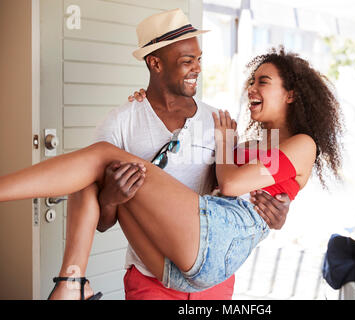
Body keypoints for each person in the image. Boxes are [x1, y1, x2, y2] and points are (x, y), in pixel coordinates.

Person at [0, 45, 344, 298]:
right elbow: (236, 186)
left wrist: (226, 143)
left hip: (212, 249)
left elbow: (232, 183)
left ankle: (69, 284)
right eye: (251, 81)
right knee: (97, 168)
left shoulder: (301, 143)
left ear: (291, 95)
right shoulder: (251, 141)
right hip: (171, 267)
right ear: (155, 64)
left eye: (262, 82)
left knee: (102, 156)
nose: (250, 89)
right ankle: (75, 283)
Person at [53, 9, 291, 300]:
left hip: (211, 282)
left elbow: (236, 199)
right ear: (155, 63)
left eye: (199, 59)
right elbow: (101, 223)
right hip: (151, 280)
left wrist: (277, 213)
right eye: (187, 61)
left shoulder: (219, 122)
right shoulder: (121, 124)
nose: (198, 69)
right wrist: (111, 198)